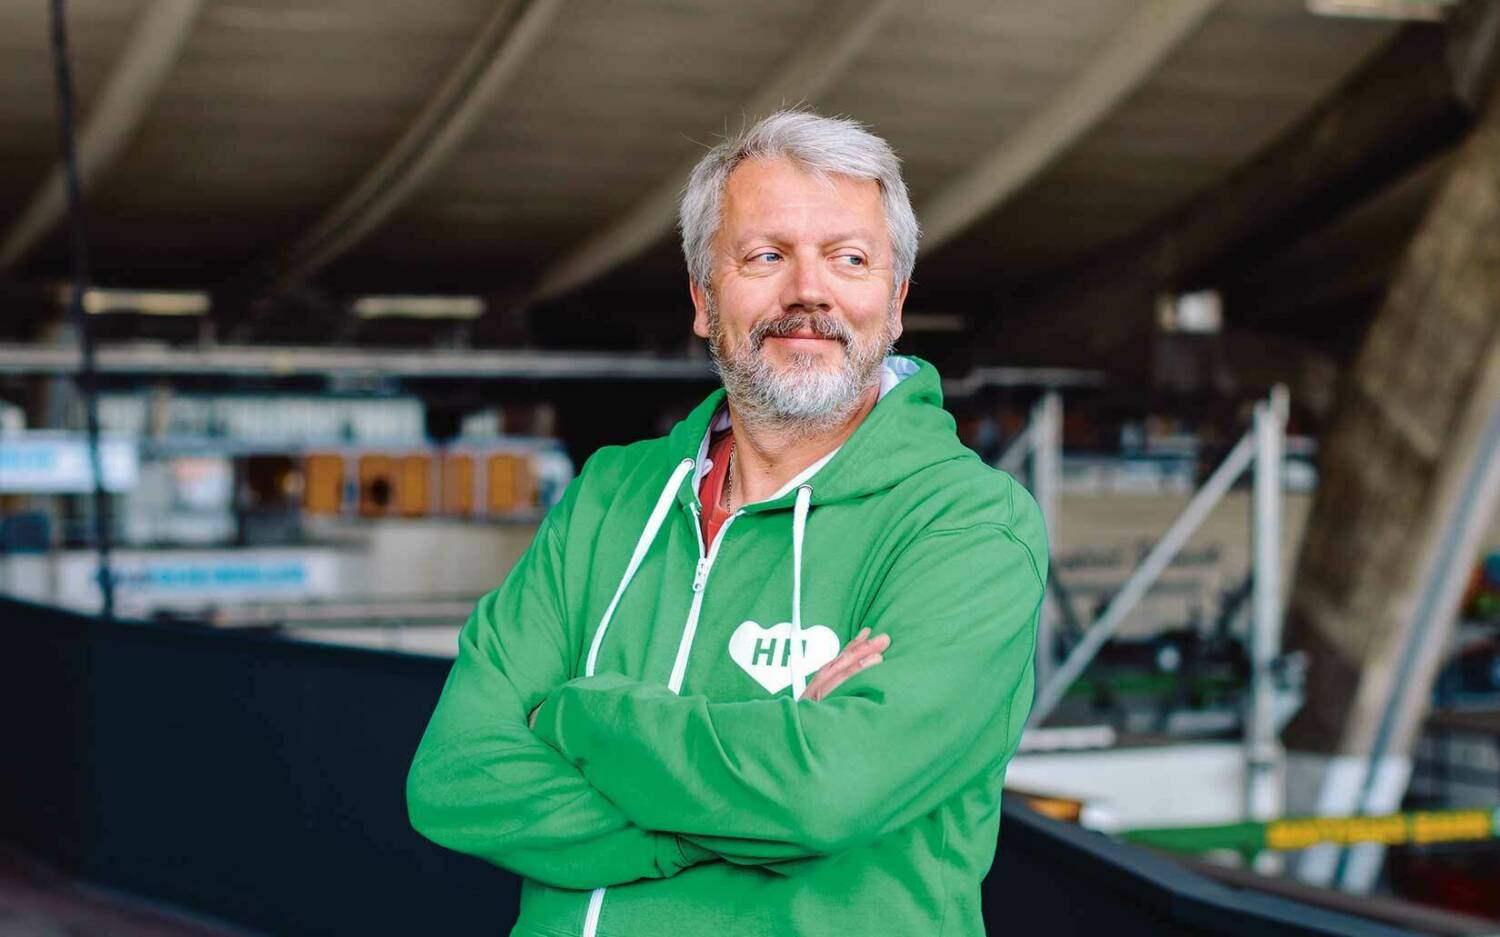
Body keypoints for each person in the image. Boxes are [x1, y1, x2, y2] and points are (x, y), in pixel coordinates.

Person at [407, 109, 1049, 937]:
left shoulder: (968, 526)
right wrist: (740, 812)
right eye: (766, 256)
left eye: (848, 260)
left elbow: (826, 790)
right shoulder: (611, 495)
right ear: (705, 300)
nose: (808, 291)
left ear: (893, 305)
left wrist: (577, 715)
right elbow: (454, 777)